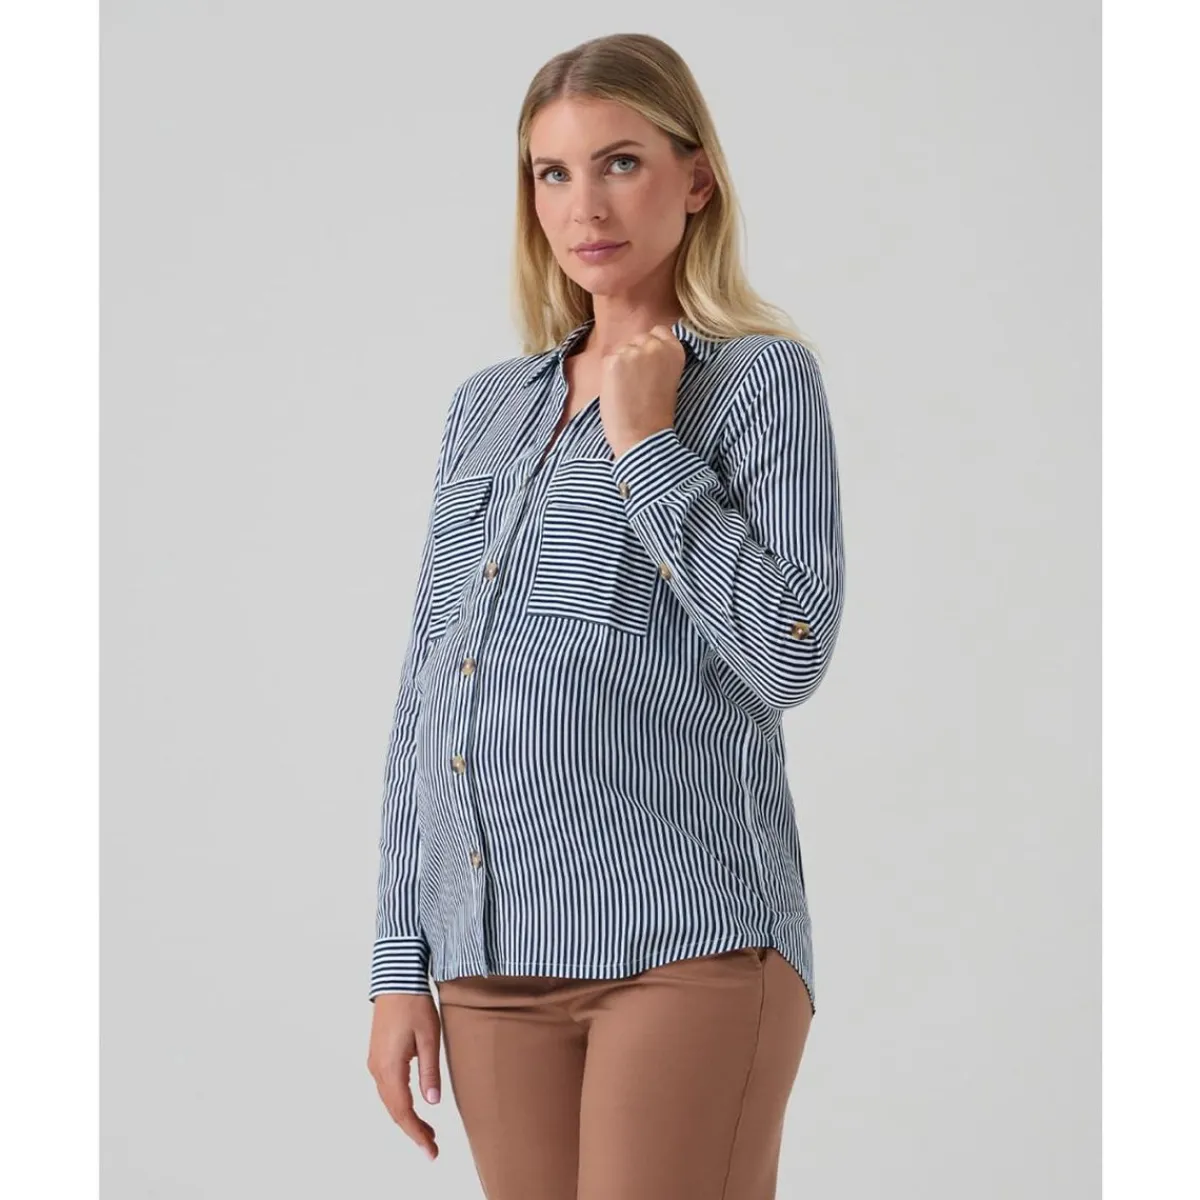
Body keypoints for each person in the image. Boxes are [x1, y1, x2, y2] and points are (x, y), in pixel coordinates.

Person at [366, 31, 846, 1200]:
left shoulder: (759, 381)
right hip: (488, 967)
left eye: (621, 162)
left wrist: (645, 446)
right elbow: (430, 687)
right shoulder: (485, 409)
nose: (585, 205)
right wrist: (396, 966)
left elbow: (789, 651)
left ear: (696, 178)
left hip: (685, 945)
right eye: (553, 173)